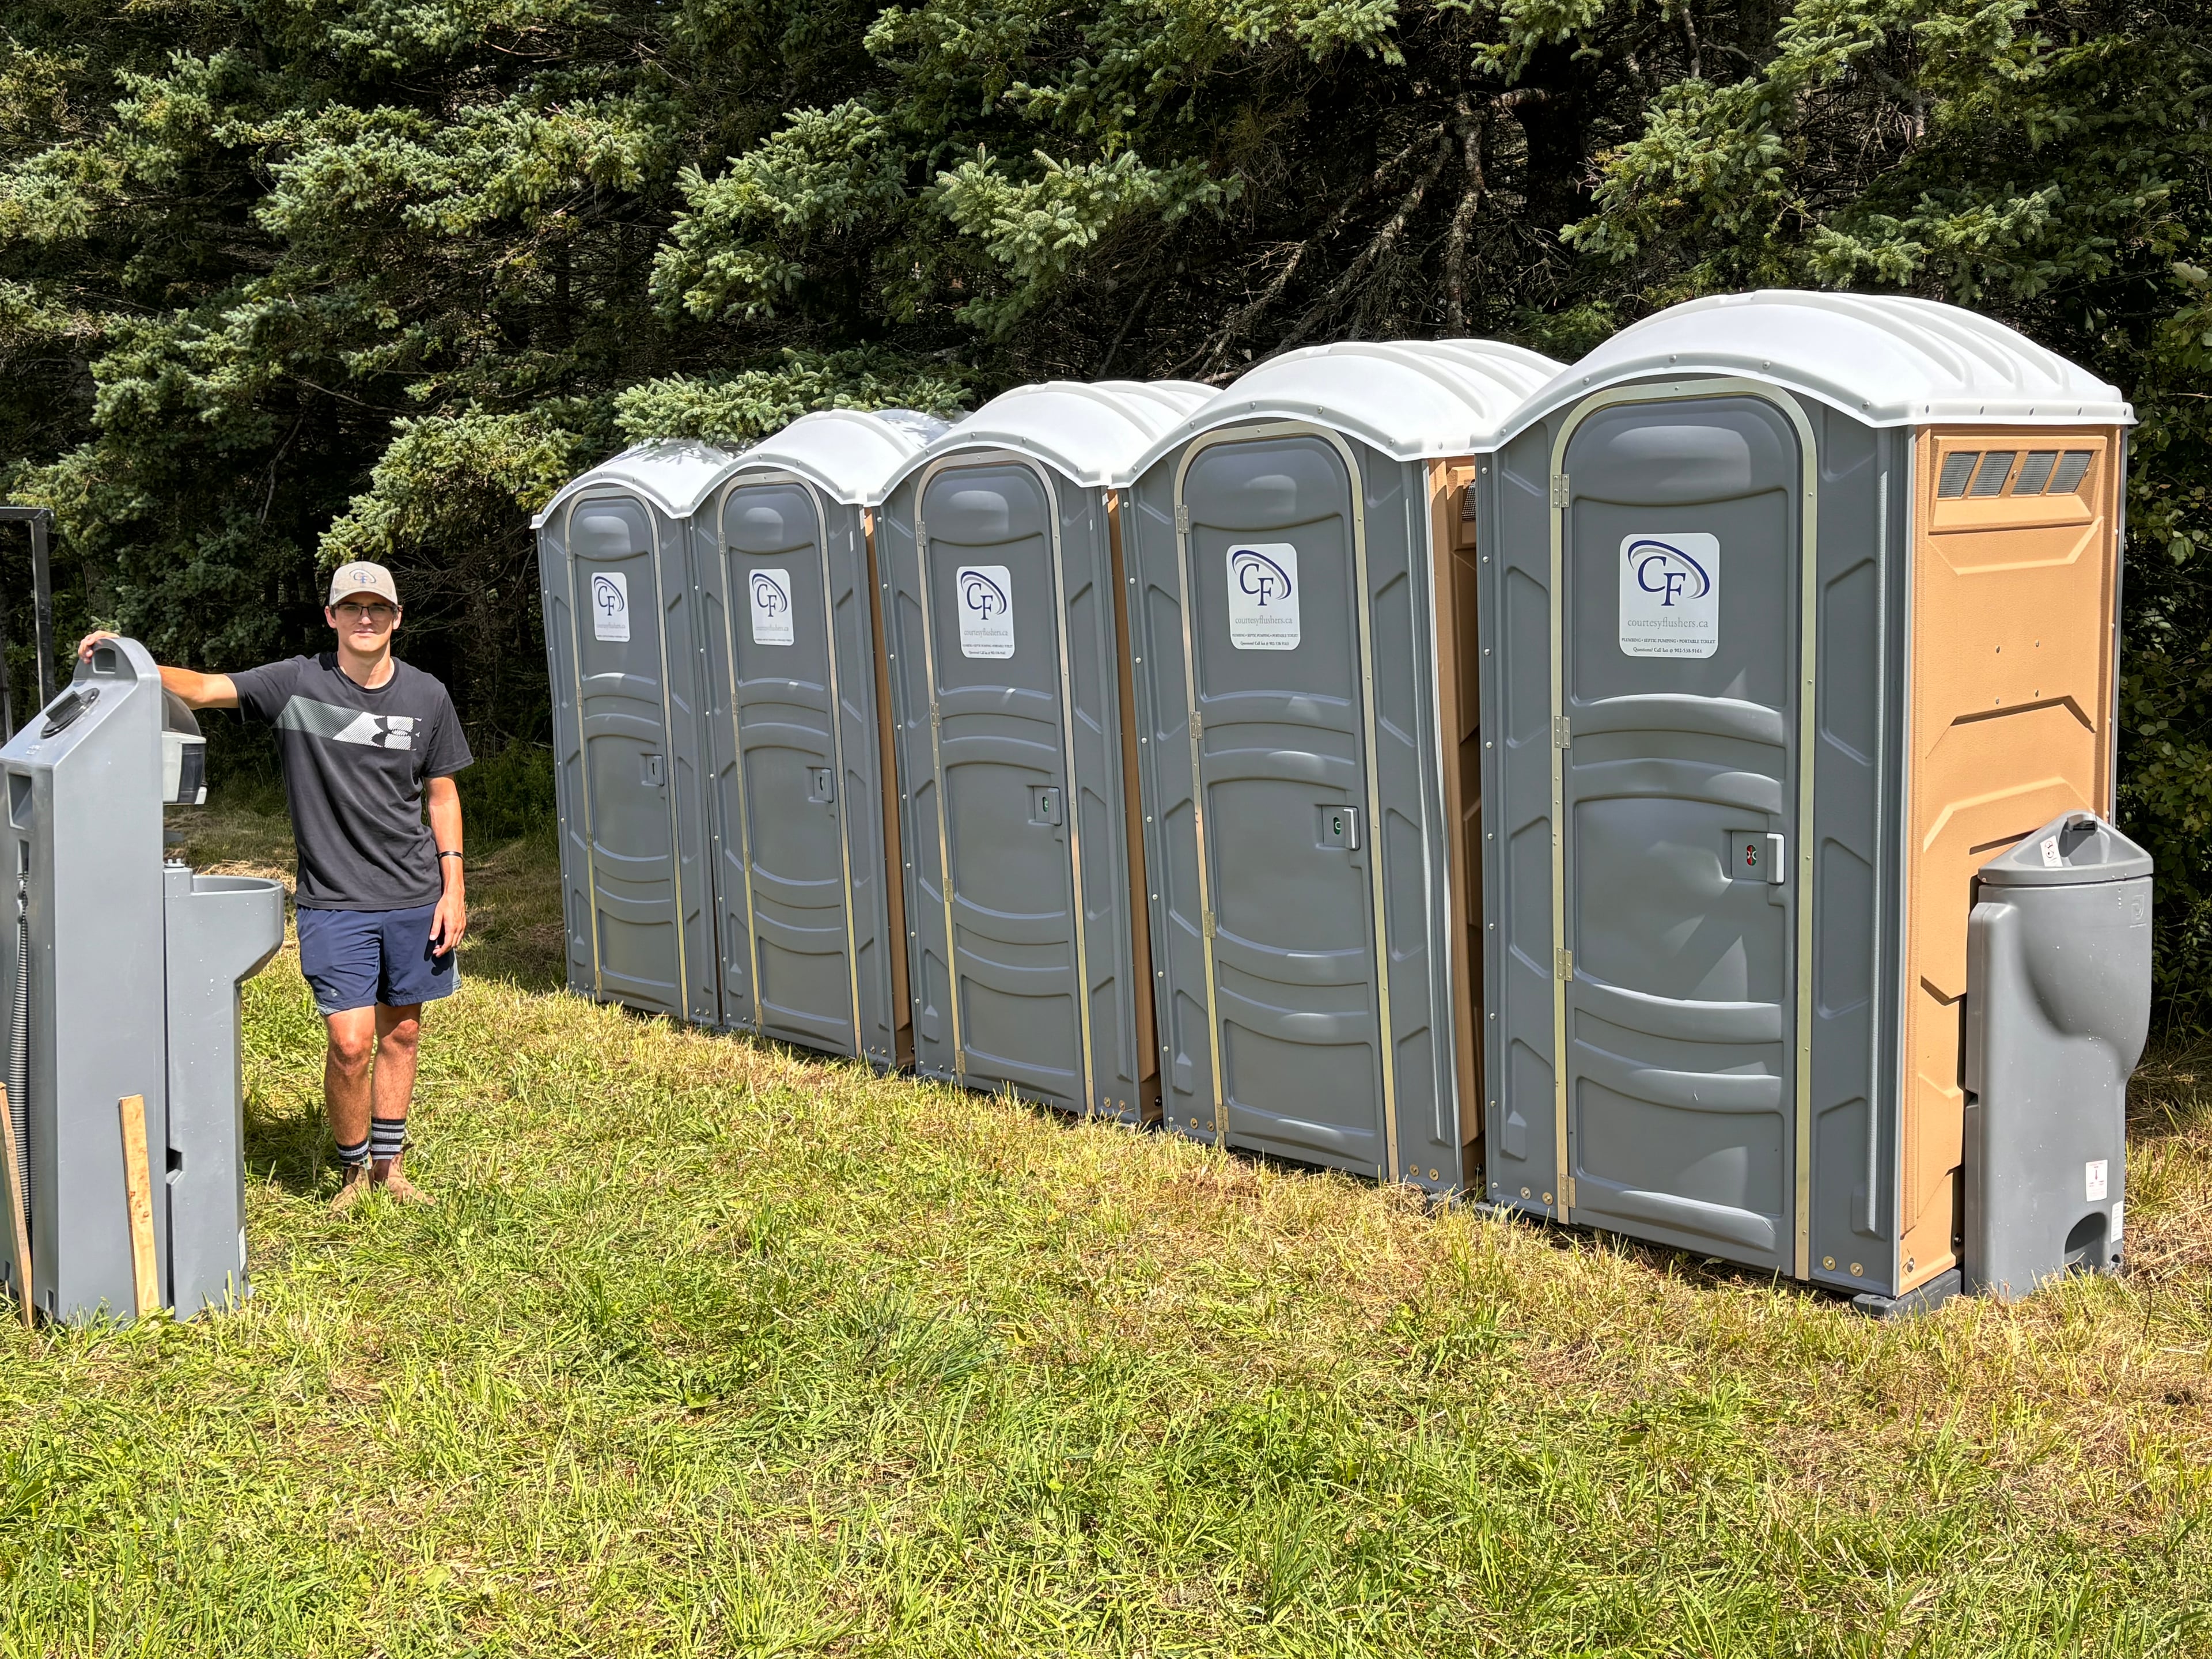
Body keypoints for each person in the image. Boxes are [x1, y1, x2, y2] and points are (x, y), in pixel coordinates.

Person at [79, 561, 472, 1211]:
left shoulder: (426, 696)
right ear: (332, 617)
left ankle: (390, 1168)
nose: (365, 618)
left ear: (398, 618)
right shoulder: (297, 683)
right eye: (352, 608)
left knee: (402, 1033)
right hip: (333, 900)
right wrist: (127, 657)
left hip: (413, 894)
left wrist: (452, 886)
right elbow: (203, 689)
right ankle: (352, 1173)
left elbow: (441, 793)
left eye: (378, 607)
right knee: (349, 1044)